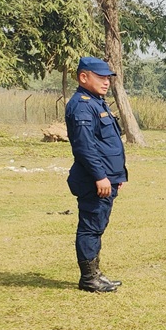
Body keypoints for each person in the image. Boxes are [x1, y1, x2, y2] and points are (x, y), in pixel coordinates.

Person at [65, 57, 127, 292]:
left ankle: (95, 273)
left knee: (97, 225)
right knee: (90, 227)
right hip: (93, 179)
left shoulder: (96, 102)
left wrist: (117, 177)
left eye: (108, 78)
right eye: (100, 77)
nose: (106, 82)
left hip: (106, 178)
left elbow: (107, 145)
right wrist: (101, 177)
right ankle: (89, 278)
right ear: (83, 77)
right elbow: (85, 146)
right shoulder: (82, 105)